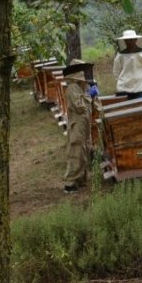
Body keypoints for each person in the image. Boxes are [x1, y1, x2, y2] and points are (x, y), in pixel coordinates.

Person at [61, 59, 94, 193]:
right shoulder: (72, 87)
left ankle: (80, 179)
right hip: (77, 124)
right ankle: (70, 183)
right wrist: (89, 96)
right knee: (76, 150)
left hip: (83, 123)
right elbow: (80, 106)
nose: (85, 74)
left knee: (84, 149)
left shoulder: (80, 86)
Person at [112, 29, 142, 100]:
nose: (129, 42)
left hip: (141, 89)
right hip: (123, 89)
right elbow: (116, 72)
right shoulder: (120, 55)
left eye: (131, 40)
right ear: (124, 41)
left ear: (136, 39)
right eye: (127, 40)